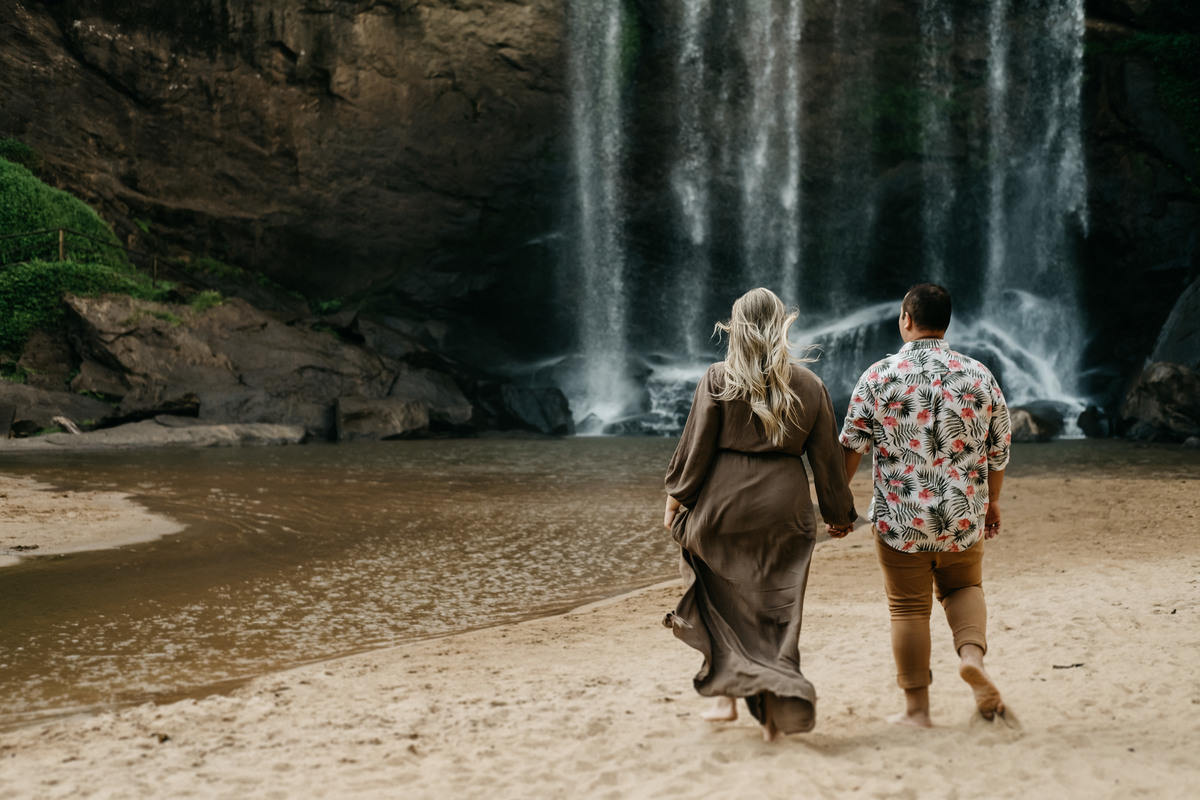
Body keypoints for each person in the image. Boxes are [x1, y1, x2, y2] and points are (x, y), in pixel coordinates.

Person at [663, 287, 858, 742]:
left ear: (736, 326)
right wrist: (838, 514)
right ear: (781, 325)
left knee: (718, 597)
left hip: (722, 506)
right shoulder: (809, 385)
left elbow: (695, 449)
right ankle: (772, 719)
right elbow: (827, 460)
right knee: (776, 613)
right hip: (784, 508)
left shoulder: (718, 378)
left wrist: (675, 500)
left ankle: (726, 697)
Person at [837, 283, 1012, 727]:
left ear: (906, 319)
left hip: (900, 520)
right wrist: (992, 503)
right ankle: (972, 656)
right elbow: (999, 449)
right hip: (962, 517)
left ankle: (918, 712)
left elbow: (851, 447)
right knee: (964, 590)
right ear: (946, 323)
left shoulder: (878, 375)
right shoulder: (980, 375)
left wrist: (837, 506)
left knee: (908, 609)